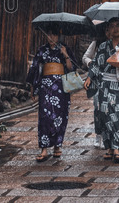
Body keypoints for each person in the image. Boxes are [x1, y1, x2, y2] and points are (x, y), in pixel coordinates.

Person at [84, 17, 119, 163]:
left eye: (118, 25)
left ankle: (117, 148)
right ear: (108, 28)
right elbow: (96, 64)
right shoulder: (103, 46)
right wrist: (90, 77)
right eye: (112, 26)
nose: (115, 29)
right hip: (105, 84)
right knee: (106, 115)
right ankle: (109, 146)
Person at [26, 26, 76, 161]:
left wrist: (65, 55)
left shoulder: (64, 48)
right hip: (46, 86)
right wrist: (33, 88)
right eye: (49, 35)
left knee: (60, 116)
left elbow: (72, 68)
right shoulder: (42, 50)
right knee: (44, 116)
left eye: (54, 35)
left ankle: (57, 146)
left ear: (58, 36)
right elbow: (35, 69)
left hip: (61, 87)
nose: (51, 38)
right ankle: (44, 148)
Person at [82, 25, 109, 148]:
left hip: (112, 80)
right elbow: (85, 57)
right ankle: (99, 134)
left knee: (110, 109)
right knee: (98, 107)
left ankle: (108, 135)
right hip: (98, 80)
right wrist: (91, 63)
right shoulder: (97, 42)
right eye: (108, 28)